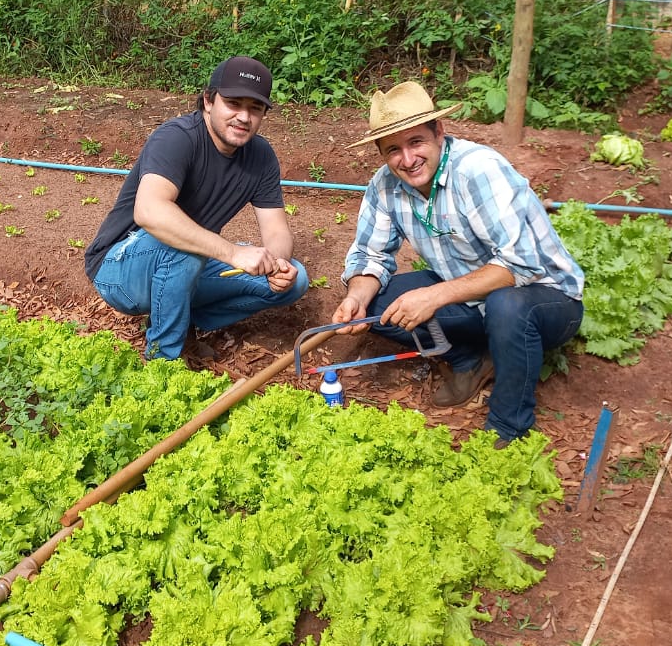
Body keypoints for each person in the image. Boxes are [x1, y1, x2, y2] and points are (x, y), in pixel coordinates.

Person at [329, 81, 584, 443]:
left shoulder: (479, 171)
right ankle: (471, 362)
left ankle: (509, 427)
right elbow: (371, 255)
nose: (407, 159)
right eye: (392, 150)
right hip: (470, 295)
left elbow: (521, 266)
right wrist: (356, 297)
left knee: (507, 305)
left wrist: (433, 297)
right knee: (377, 302)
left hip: (545, 300)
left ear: (439, 132)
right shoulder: (384, 186)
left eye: (416, 142)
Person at [85, 56, 309, 361]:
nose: (244, 116)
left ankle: (180, 319)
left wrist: (278, 266)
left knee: (296, 281)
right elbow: (149, 210)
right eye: (233, 103)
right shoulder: (177, 138)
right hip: (120, 267)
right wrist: (233, 253)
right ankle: (162, 362)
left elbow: (276, 230)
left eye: (255, 108)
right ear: (208, 101)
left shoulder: (261, 156)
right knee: (186, 248)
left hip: (187, 261)